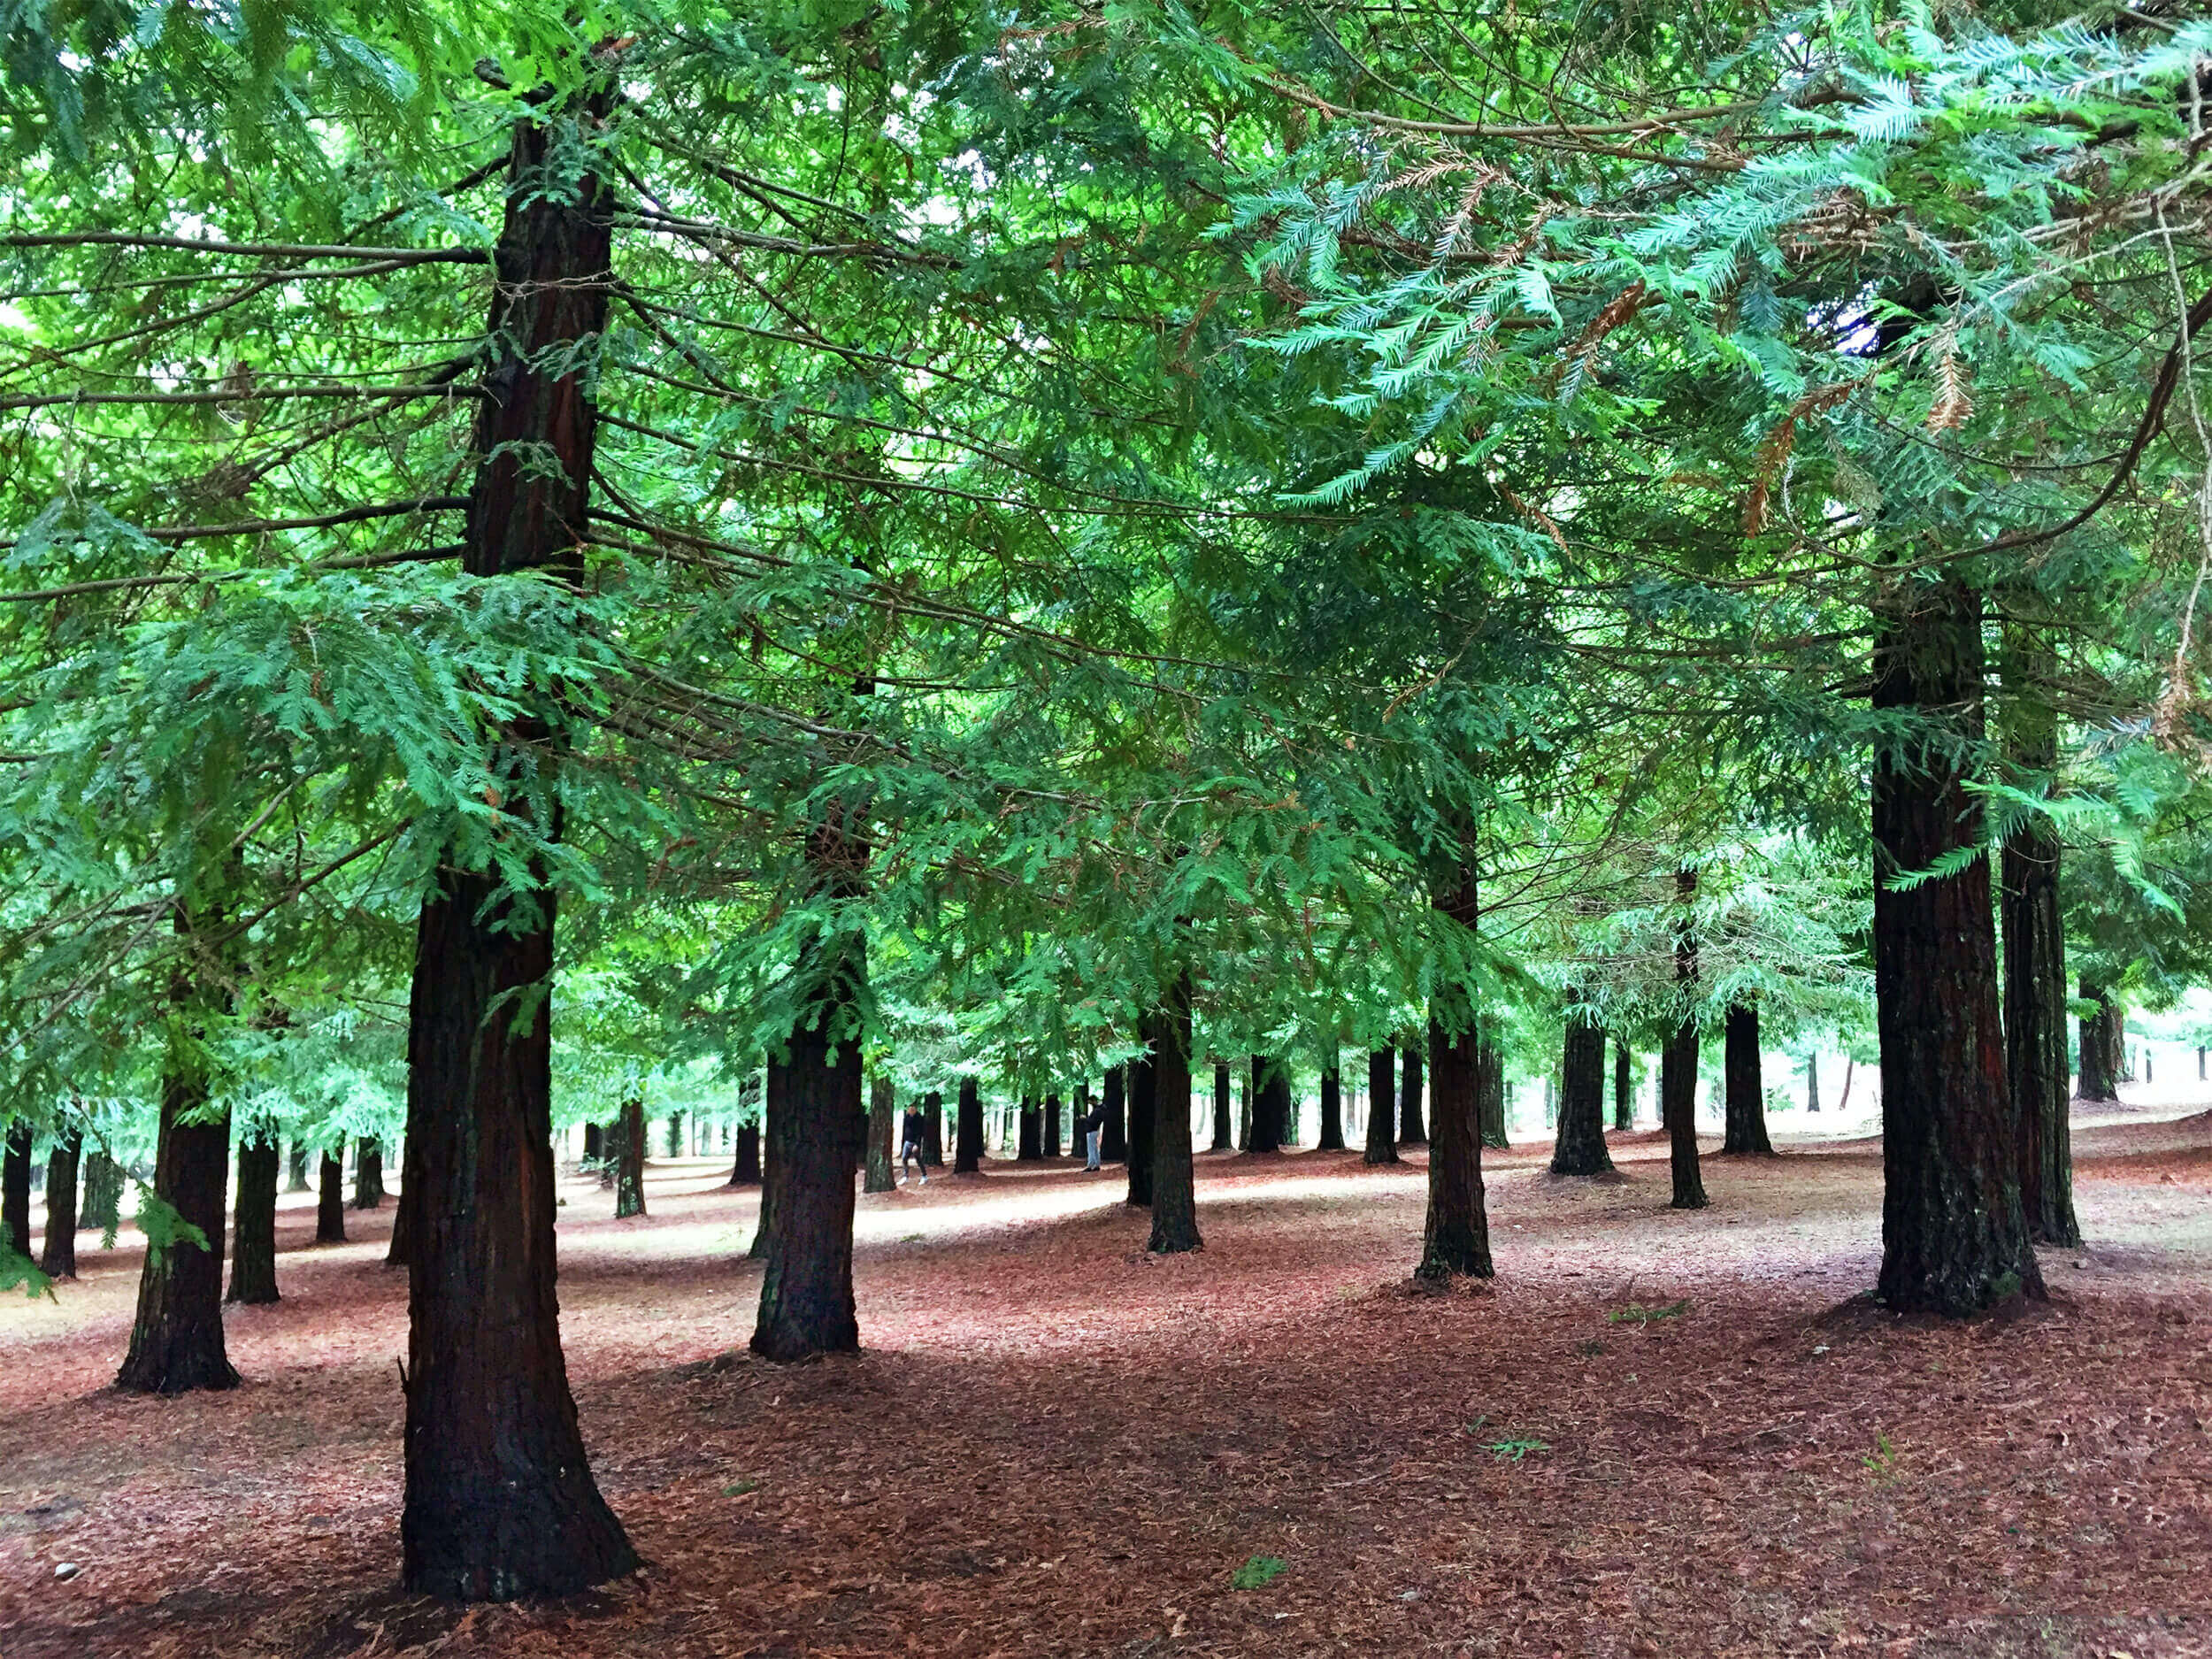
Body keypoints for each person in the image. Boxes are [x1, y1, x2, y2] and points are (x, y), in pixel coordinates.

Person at [899, 1104, 929, 1187]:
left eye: (913, 1109)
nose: (911, 1111)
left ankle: (924, 1176)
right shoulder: (907, 1118)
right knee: (904, 1158)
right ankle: (905, 1176)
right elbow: (905, 1129)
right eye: (910, 1109)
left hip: (915, 1142)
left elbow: (920, 1132)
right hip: (907, 1141)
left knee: (918, 1159)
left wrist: (917, 1144)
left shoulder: (919, 1118)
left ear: (916, 1110)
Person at [1079, 1095, 1107, 1171]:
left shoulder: (1097, 1111)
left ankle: (1090, 1165)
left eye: (1090, 1102)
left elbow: (1092, 1121)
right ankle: (1097, 1164)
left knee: (1091, 1149)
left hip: (1092, 1131)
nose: (1090, 1103)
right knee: (1095, 1149)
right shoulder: (1100, 1110)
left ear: (1093, 1101)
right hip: (1095, 1131)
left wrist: (1085, 1118)